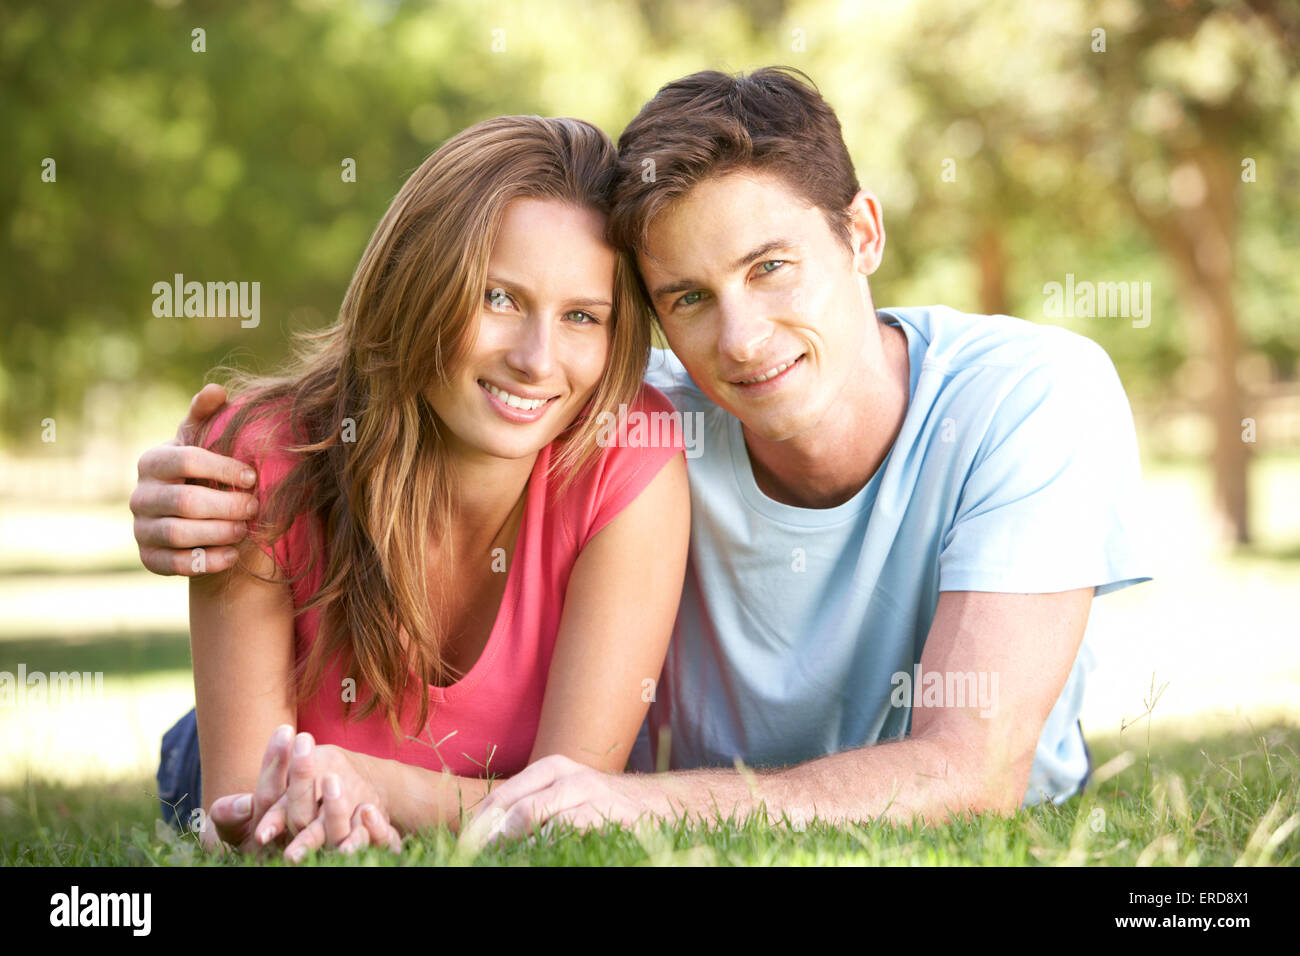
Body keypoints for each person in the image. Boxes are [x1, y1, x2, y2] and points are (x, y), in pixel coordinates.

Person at [133, 68, 1151, 842]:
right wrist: (206, 481)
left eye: (771, 267)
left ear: (863, 231)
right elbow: (397, 400)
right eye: (690, 298)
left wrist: (621, 803)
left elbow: (967, 772)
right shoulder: (616, 407)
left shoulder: (1028, 397)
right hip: (325, 740)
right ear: (654, 317)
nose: (743, 338)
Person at [140, 114, 690, 860]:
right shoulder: (265, 456)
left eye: (582, 317)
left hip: (355, 782)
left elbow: (572, 807)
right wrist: (320, 802)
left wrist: (374, 785)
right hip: (227, 755)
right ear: (418, 284)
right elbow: (240, 816)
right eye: (498, 298)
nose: (536, 360)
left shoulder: (628, 454)